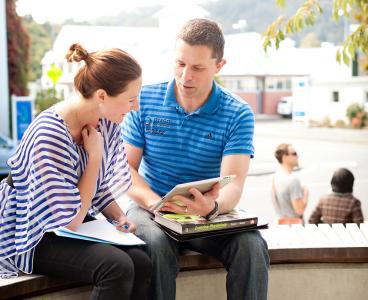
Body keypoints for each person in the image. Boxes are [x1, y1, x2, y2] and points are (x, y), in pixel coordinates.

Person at [121, 18, 269, 300]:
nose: (185, 76)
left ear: (219, 66)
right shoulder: (144, 100)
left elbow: (233, 184)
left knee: (250, 246)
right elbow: (126, 169)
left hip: (206, 211)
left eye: (198, 68)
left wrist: (211, 207)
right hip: (150, 205)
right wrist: (156, 204)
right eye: (180, 63)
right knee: (153, 243)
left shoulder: (238, 113)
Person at [0, 43, 152, 299]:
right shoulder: (48, 136)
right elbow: (69, 221)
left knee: (142, 261)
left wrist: (118, 217)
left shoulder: (107, 121)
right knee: (116, 267)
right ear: (102, 96)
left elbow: (98, 186)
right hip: (31, 230)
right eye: (130, 99)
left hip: (69, 218)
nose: (135, 107)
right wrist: (94, 157)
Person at [272, 143, 308, 223]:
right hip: (294, 227)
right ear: (284, 157)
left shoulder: (276, 176)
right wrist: (306, 193)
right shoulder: (293, 180)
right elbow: (299, 210)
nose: (297, 156)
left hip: (279, 224)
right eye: (294, 154)